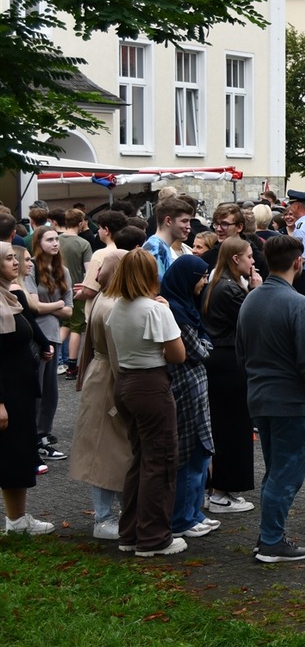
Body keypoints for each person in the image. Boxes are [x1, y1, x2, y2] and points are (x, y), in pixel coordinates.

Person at [236, 235, 305, 563]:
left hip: (261, 399)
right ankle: (271, 541)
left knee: (275, 471)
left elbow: (241, 354)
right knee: (284, 474)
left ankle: (269, 535)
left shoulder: (250, 300)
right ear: (298, 262)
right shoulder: (298, 304)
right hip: (293, 403)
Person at [106, 249, 188, 557]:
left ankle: (130, 532)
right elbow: (178, 355)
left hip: (125, 382)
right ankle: (154, 537)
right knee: (162, 460)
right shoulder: (156, 310)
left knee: (140, 459)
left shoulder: (117, 308)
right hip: (151, 384)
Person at [69, 249, 132, 540]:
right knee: (107, 451)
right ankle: (104, 517)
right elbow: (117, 353)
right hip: (108, 379)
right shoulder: (113, 305)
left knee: (110, 449)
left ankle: (115, 512)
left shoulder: (101, 299)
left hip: (99, 374)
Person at [200, 237, 261, 515]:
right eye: (249, 256)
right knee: (232, 427)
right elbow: (252, 319)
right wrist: (256, 292)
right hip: (228, 362)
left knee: (225, 426)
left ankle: (217, 487)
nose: (253, 261)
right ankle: (222, 491)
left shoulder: (220, 285)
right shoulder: (229, 289)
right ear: (235, 259)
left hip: (221, 360)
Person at [160, 256, 220, 536]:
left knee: (200, 452)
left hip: (196, 386)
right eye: (201, 277)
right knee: (188, 452)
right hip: (184, 388)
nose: (205, 282)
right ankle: (182, 519)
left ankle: (194, 512)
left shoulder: (187, 307)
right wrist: (206, 346)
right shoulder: (175, 311)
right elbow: (200, 351)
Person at [0, 241, 56, 535]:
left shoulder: (9, 296)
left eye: (15, 258)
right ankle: (16, 521)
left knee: (18, 456)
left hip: (19, 391)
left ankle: (18, 519)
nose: (16, 262)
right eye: (9, 258)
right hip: (7, 393)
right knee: (9, 457)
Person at [28, 226, 72, 462]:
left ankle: (42, 435)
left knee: (51, 391)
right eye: (50, 239)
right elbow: (34, 306)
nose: (56, 243)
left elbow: (71, 310)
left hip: (53, 336)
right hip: (36, 337)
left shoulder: (62, 270)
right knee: (36, 389)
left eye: (57, 239)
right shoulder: (30, 267)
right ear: (39, 242)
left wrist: (49, 307)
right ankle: (31, 437)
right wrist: (56, 306)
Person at [58, 209, 93, 380]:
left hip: (56, 289)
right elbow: (89, 271)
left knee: (64, 324)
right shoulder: (83, 244)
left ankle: (51, 355)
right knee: (76, 328)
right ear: (81, 223)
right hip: (76, 289)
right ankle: (72, 366)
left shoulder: (55, 240)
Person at [143, 197, 194, 279]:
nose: (189, 227)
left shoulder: (160, 246)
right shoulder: (156, 248)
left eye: (189, 221)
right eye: (184, 221)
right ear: (168, 221)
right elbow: (157, 287)